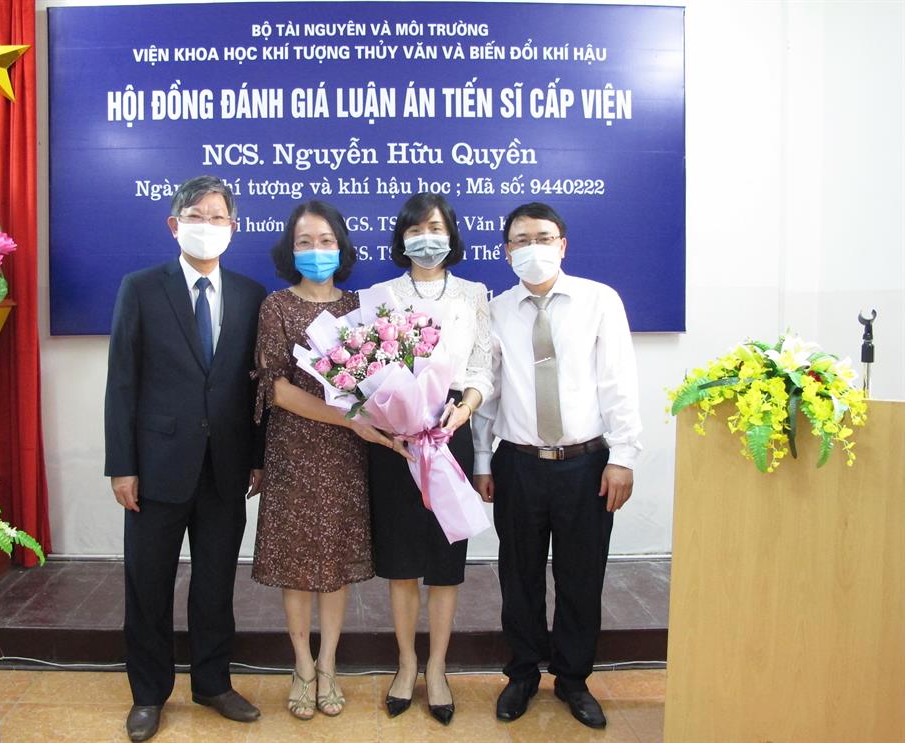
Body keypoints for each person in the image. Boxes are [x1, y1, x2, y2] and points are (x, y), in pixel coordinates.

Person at [104, 175, 265, 741]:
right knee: (148, 584)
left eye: (218, 216)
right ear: (174, 225)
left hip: (226, 467)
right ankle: (148, 694)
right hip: (155, 467)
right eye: (196, 216)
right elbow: (122, 381)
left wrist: (258, 457)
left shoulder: (250, 294)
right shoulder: (141, 288)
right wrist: (122, 465)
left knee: (215, 584)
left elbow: (256, 387)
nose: (207, 225)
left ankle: (213, 683)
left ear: (233, 227)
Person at [472, 202, 642, 729]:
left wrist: (623, 457)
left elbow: (618, 381)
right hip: (518, 463)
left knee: (581, 577)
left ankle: (573, 679)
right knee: (518, 575)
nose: (533, 248)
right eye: (521, 240)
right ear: (506, 252)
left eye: (543, 238)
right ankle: (522, 674)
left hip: (586, 465)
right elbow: (489, 392)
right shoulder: (495, 310)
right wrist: (482, 460)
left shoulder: (599, 301)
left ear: (562, 244)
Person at [251, 200, 405, 720]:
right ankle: (301, 666)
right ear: (289, 249)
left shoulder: (362, 308)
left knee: (334, 563)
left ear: (341, 247)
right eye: (304, 242)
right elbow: (275, 389)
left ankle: (329, 665)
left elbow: (384, 379)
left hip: (346, 456)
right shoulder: (276, 306)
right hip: (294, 450)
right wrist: (349, 419)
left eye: (324, 241)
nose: (315, 250)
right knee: (297, 564)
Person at [367, 192, 493, 726]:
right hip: (397, 438)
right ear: (402, 237)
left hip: (449, 432)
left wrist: (465, 409)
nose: (426, 238)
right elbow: (369, 369)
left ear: (451, 235)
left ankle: (437, 667)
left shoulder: (474, 294)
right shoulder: (378, 295)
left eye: (436, 228)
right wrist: (394, 419)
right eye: (416, 229)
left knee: (444, 563)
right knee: (400, 562)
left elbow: (483, 368)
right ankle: (406, 663)